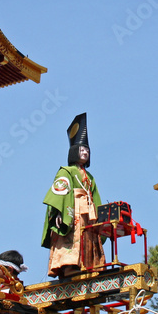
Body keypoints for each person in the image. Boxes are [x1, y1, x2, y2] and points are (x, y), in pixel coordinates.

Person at [42, 114, 105, 278]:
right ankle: (69, 265)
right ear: (74, 151)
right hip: (73, 210)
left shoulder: (90, 177)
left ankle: (89, 265)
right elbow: (59, 192)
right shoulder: (66, 171)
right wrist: (58, 211)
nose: (85, 153)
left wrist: (101, 216)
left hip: (88, 212)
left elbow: (96, 197)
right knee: (74, 236)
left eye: (87, 151)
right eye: (82, 150)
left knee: (89, 235)